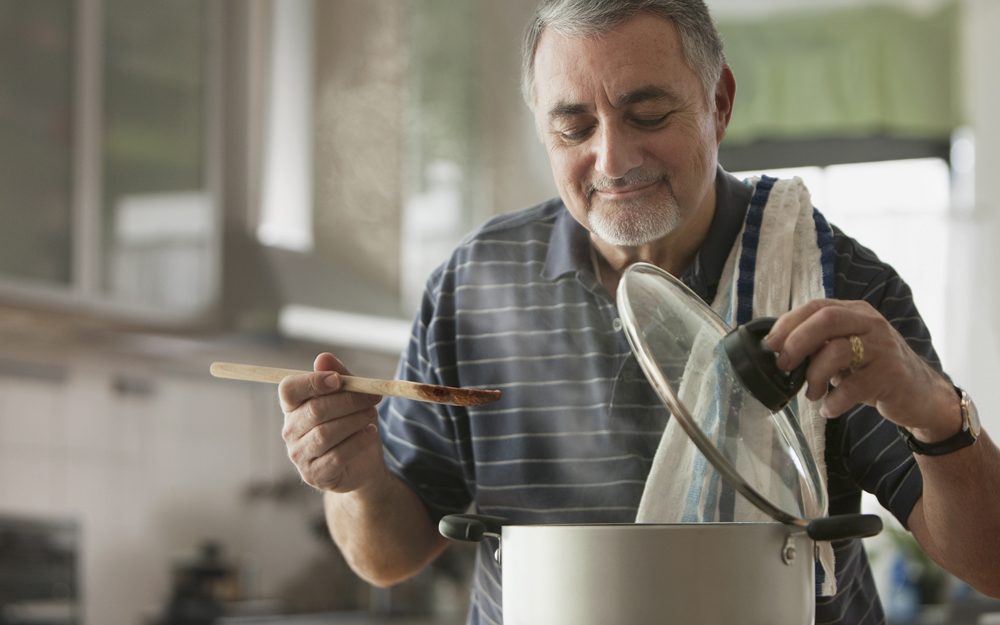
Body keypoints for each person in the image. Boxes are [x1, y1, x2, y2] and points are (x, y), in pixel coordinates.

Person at [278, 1, 1000, 623]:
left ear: (719, 102)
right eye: (573, 127)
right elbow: (388, 557)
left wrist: (935, 412)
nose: (613, 158)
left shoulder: (832, 281)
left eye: (647, 113)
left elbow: (992, 563)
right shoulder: (472, 286)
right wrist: (358, 477)